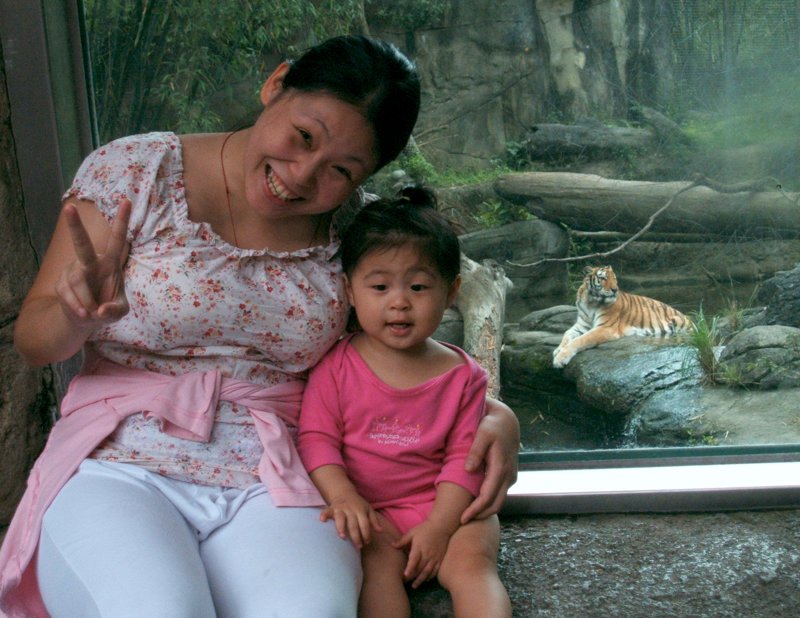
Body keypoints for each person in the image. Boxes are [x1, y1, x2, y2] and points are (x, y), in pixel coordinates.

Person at [1, 34, 519, 618]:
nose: (301, 176)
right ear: (276, 85)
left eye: (340, 170)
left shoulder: (352, 227)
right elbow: (34, 342)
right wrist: (73, 316)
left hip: (280, 471)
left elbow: (396, 340)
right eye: (304, 136)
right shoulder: (137, 171)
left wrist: (495, 414)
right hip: (124, 460)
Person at [297, 185, 513, 618]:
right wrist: (343, 497)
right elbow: (316, 440)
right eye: (380, 286)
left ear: (450, 293)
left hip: (450, 507)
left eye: (418, 287)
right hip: (372, 511)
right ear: (350, 290)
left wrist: (439, 527)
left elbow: (464, 459)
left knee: (473, 568)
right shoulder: (335, 366)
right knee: (374, 571)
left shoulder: (463, 376)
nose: (399, 302)